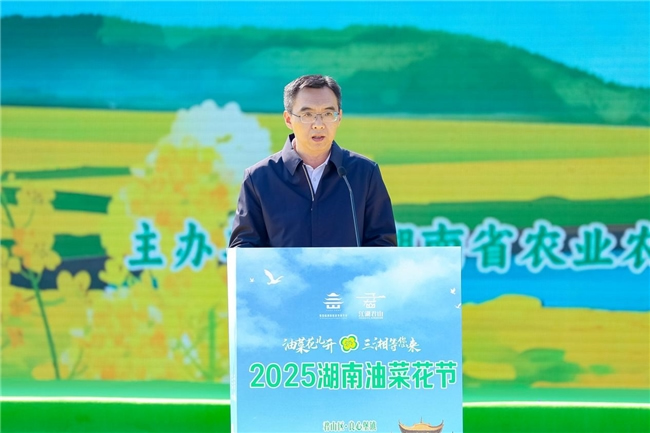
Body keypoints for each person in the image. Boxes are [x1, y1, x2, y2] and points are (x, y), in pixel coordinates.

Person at [229, 74, 397, 248]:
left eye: (328, 113)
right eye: (307, 114)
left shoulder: (365, 174)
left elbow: (383, 244)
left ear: (339, 117)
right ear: (288, 119)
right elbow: (243, 248)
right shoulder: (259, 178)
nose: (318, 124)